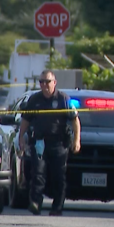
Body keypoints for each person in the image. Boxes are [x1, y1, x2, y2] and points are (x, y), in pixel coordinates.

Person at [18, 70, 81, 216]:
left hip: (59, 143)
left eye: (47, 81)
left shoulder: (63, 99)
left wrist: (77, 140)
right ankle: (35, 203)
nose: (44, 85)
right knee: (37, 173)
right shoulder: (34, 99)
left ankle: (57, 206)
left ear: (54, 82)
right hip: (40, 142)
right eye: (41, 82)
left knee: (58, 176)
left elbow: (75, 121)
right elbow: (25, 120)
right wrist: (21, 137)